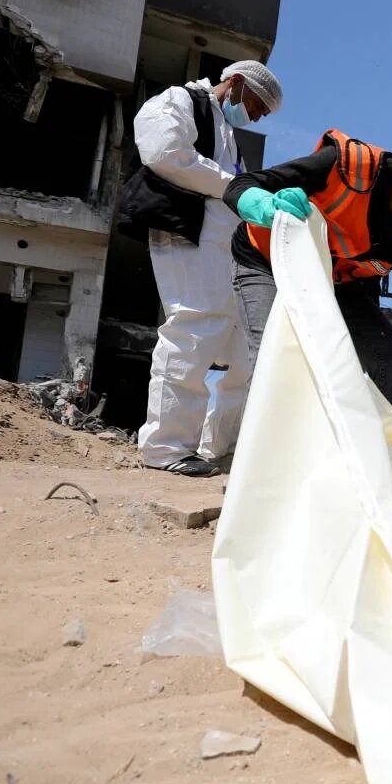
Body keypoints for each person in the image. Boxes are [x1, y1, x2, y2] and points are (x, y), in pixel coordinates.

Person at [223, 131, 392, 477]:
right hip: (269, 261)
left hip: (340, 282)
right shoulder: (348, 167)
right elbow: (239, 186)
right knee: (276, 359)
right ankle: (261, 478)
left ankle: (379, 478)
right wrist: (264, 206)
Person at [131, 59, 283, 477]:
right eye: (256, 106)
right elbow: (164, 153)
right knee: (193, 329)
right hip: (186, 236)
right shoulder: (180, 101)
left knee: (246, 349)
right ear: (236, 83)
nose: (256, 117)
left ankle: (222, 447)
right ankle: (165, 448)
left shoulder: (227, 134)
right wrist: (235, 188)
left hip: (222, 250)